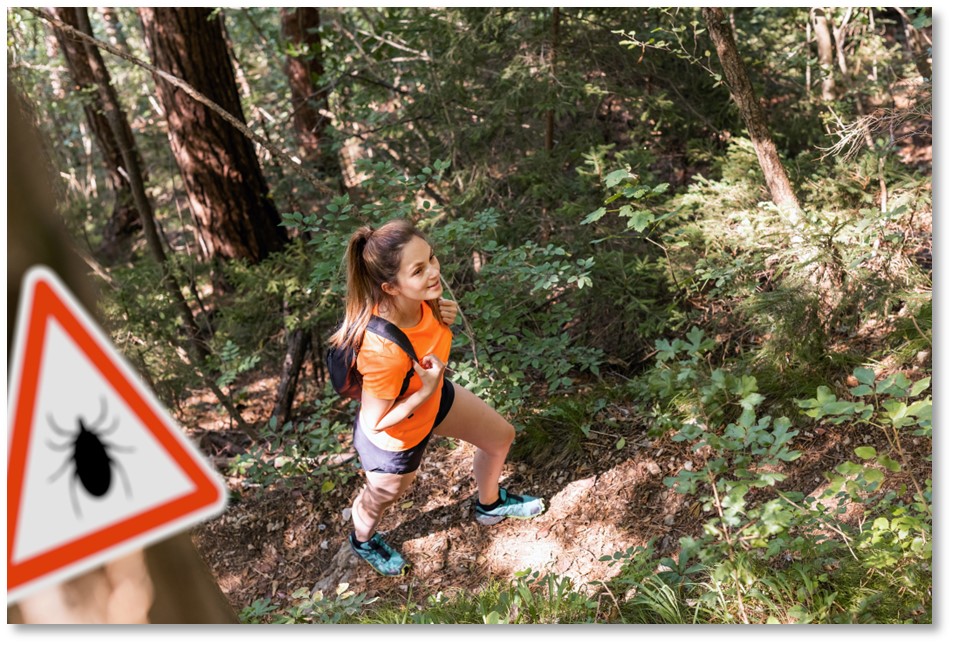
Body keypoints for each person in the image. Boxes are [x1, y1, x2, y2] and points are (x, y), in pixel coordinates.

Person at [329, 219, 545, 577]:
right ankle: (362, 540)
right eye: (418, 270)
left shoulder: (425, 303)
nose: (433, 272)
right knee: (382, 497)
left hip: (433, 401)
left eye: (431, 258)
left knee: (500, 437)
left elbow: (430, 347)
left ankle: (490, 505)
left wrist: (444, 319)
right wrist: (427, 388)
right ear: (390, 287)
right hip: (395, 438)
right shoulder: (381, 350)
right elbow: (375, 421)